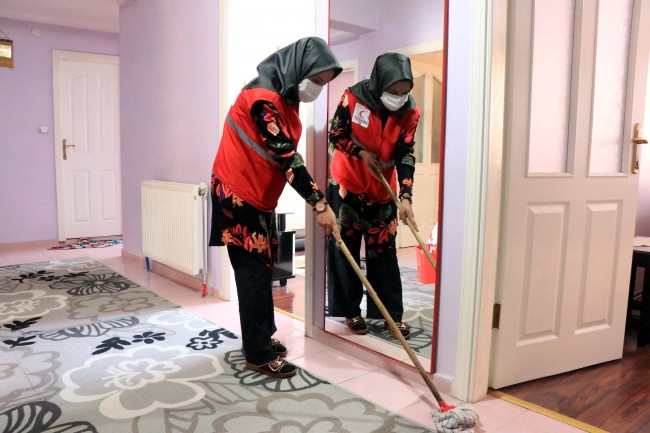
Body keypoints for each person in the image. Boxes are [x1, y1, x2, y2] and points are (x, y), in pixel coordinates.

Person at [209, 37, 342, 379]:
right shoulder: (263, 99)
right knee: (252, 274)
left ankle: (261, 337)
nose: (317, 88)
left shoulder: (284, 97)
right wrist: (320, 203)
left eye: (323, 83)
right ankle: (258, 354)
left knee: (262, 267)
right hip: (238, 194)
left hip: (257, 194)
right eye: (316, 79)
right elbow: (286, 156)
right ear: (298, 68)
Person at [326, 52, 420, 340]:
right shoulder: (353, 98)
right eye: (393, 91)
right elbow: (336, 134)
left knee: (384, 253)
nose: (399, 97)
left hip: (382, 190)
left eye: (404, 92)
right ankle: (350, 311)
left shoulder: (410, 113)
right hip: (347, 184)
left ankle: (390, 315)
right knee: (346, 251)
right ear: (379, 84)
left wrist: (406, 195)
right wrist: (361, 153)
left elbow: (405, 153)